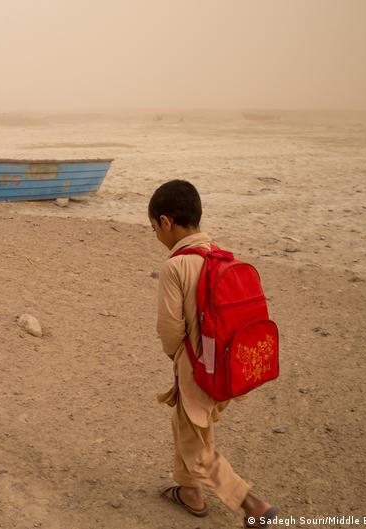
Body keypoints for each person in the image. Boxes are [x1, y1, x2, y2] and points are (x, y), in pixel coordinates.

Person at [149, 179, 279, 527]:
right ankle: (189, 493)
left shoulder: (175, 266)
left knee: (198, 448)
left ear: (166, 222)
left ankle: (252, 504)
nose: (158, 237)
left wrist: (178, 357)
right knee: (190, 428)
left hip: (196, 366)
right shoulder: (219, 255)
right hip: (227, 362)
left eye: (155, 230)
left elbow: (170, 330)